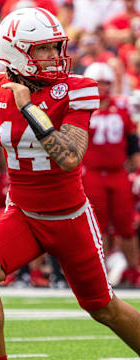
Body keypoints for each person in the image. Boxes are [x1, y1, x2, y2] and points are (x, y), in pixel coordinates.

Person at [0, 8, 140, 359]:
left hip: (69, 217)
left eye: (56, 47)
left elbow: (69, 156)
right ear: (15, 52)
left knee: (102, 307)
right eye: (43, 49)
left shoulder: (77, 88)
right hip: (23, 214)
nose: (54, 57)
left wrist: (30, 110)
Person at [82, 62, 140, 287]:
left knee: (126, 226)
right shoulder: (82, 109)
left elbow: (132, 143)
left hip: (118, 173)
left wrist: (136, 168)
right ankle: (102, 272)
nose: (103, 88)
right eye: (98, 83)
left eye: (106, 83)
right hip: (93, 174)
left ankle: (134, 270)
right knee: (99, 226)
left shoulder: (123, 107)